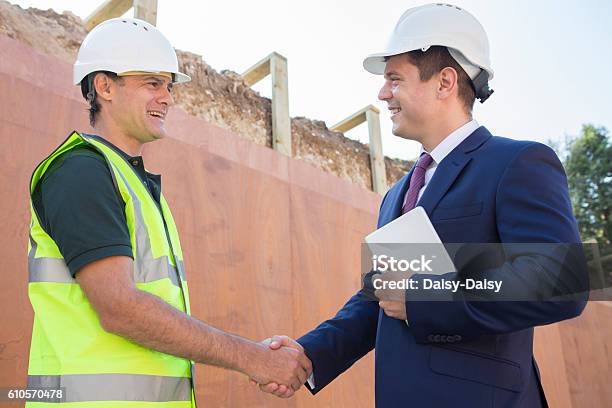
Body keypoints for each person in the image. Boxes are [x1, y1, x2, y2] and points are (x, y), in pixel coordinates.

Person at [257, 3, 587, 407]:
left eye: (394, 79)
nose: (382, 93)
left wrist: (422, 296)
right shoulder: (398, 194)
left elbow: (557, 281)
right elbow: (382, 297)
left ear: (445, 81)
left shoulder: (517, 163)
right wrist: (309, 355)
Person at [26, 18, 311, 407]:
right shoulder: (81, 171)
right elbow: (120, 309)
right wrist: (251, 357)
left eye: (169, 86)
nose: (168, 98)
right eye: (152, 83)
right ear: (104, 86)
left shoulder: (131, 182)